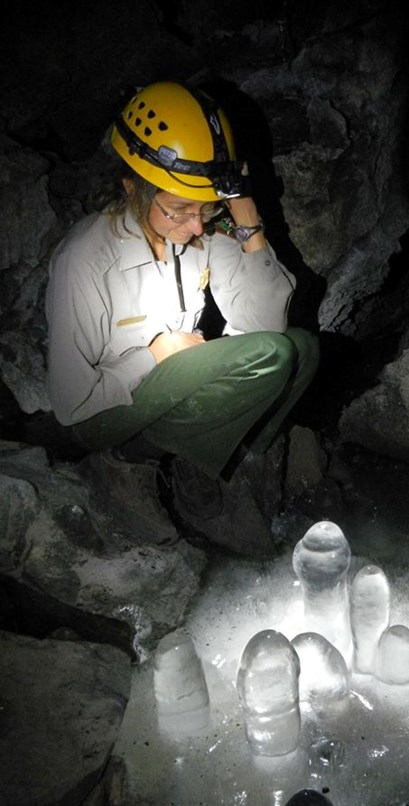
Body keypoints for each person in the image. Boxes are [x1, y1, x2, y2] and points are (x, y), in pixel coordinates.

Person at [45, 80, 320, 547]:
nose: (196, 225)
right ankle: (136, 465)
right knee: (272, 356)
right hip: (106, 411)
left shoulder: (204, 230)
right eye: (178, 210)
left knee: (302, 349)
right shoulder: (86, 259)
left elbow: (265, 323)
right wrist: (157, 354)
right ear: (132, 188)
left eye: (206, 207)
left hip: (178, 386)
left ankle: (233, 461)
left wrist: (246, 221)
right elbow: (71, 406)